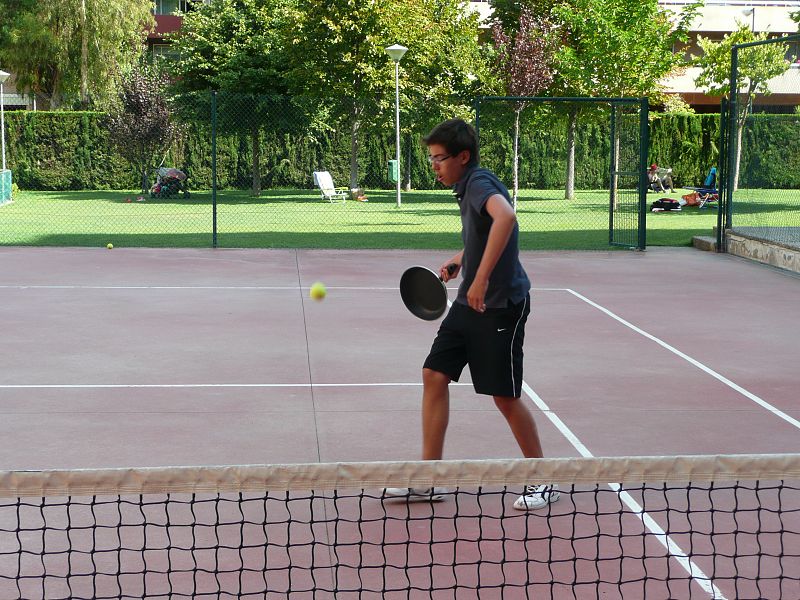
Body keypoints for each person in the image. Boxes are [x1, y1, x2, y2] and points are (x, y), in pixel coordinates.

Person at [385, 119, 559, 511]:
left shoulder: (479, 183)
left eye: (440, 158)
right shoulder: (466, 188)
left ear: (462, 157)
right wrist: (461, 261)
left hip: (500, 307)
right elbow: (483, 232)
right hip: (468, 304)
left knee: (504, 396)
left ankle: (544, 479)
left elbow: (507, 218)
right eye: (431, 159)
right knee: (434, 374)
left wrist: (480, 280)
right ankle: (429, 479)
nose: (434, 166)